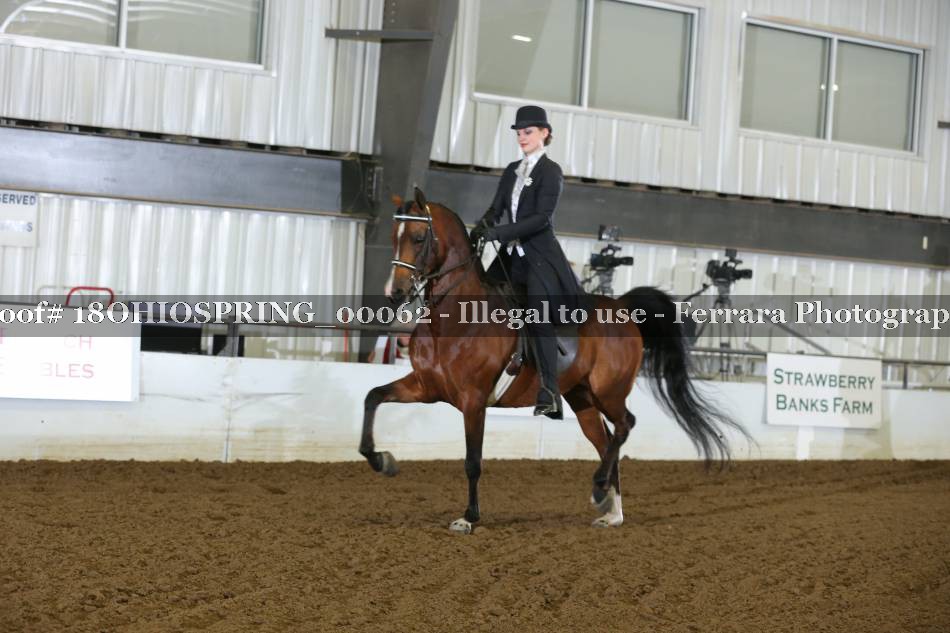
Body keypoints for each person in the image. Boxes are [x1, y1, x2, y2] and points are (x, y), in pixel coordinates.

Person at [470, 105, 582, 420]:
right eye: (519, 133)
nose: (522, 137)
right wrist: (479, 230)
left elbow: (541, 219)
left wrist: (500, 233)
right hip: (512, 256)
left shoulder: (551, 171)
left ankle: (550, 391)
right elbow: (496, 210)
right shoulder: (511, 170)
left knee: (537, 315)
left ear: (544, 133)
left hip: (540, 257)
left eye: (528, 132)